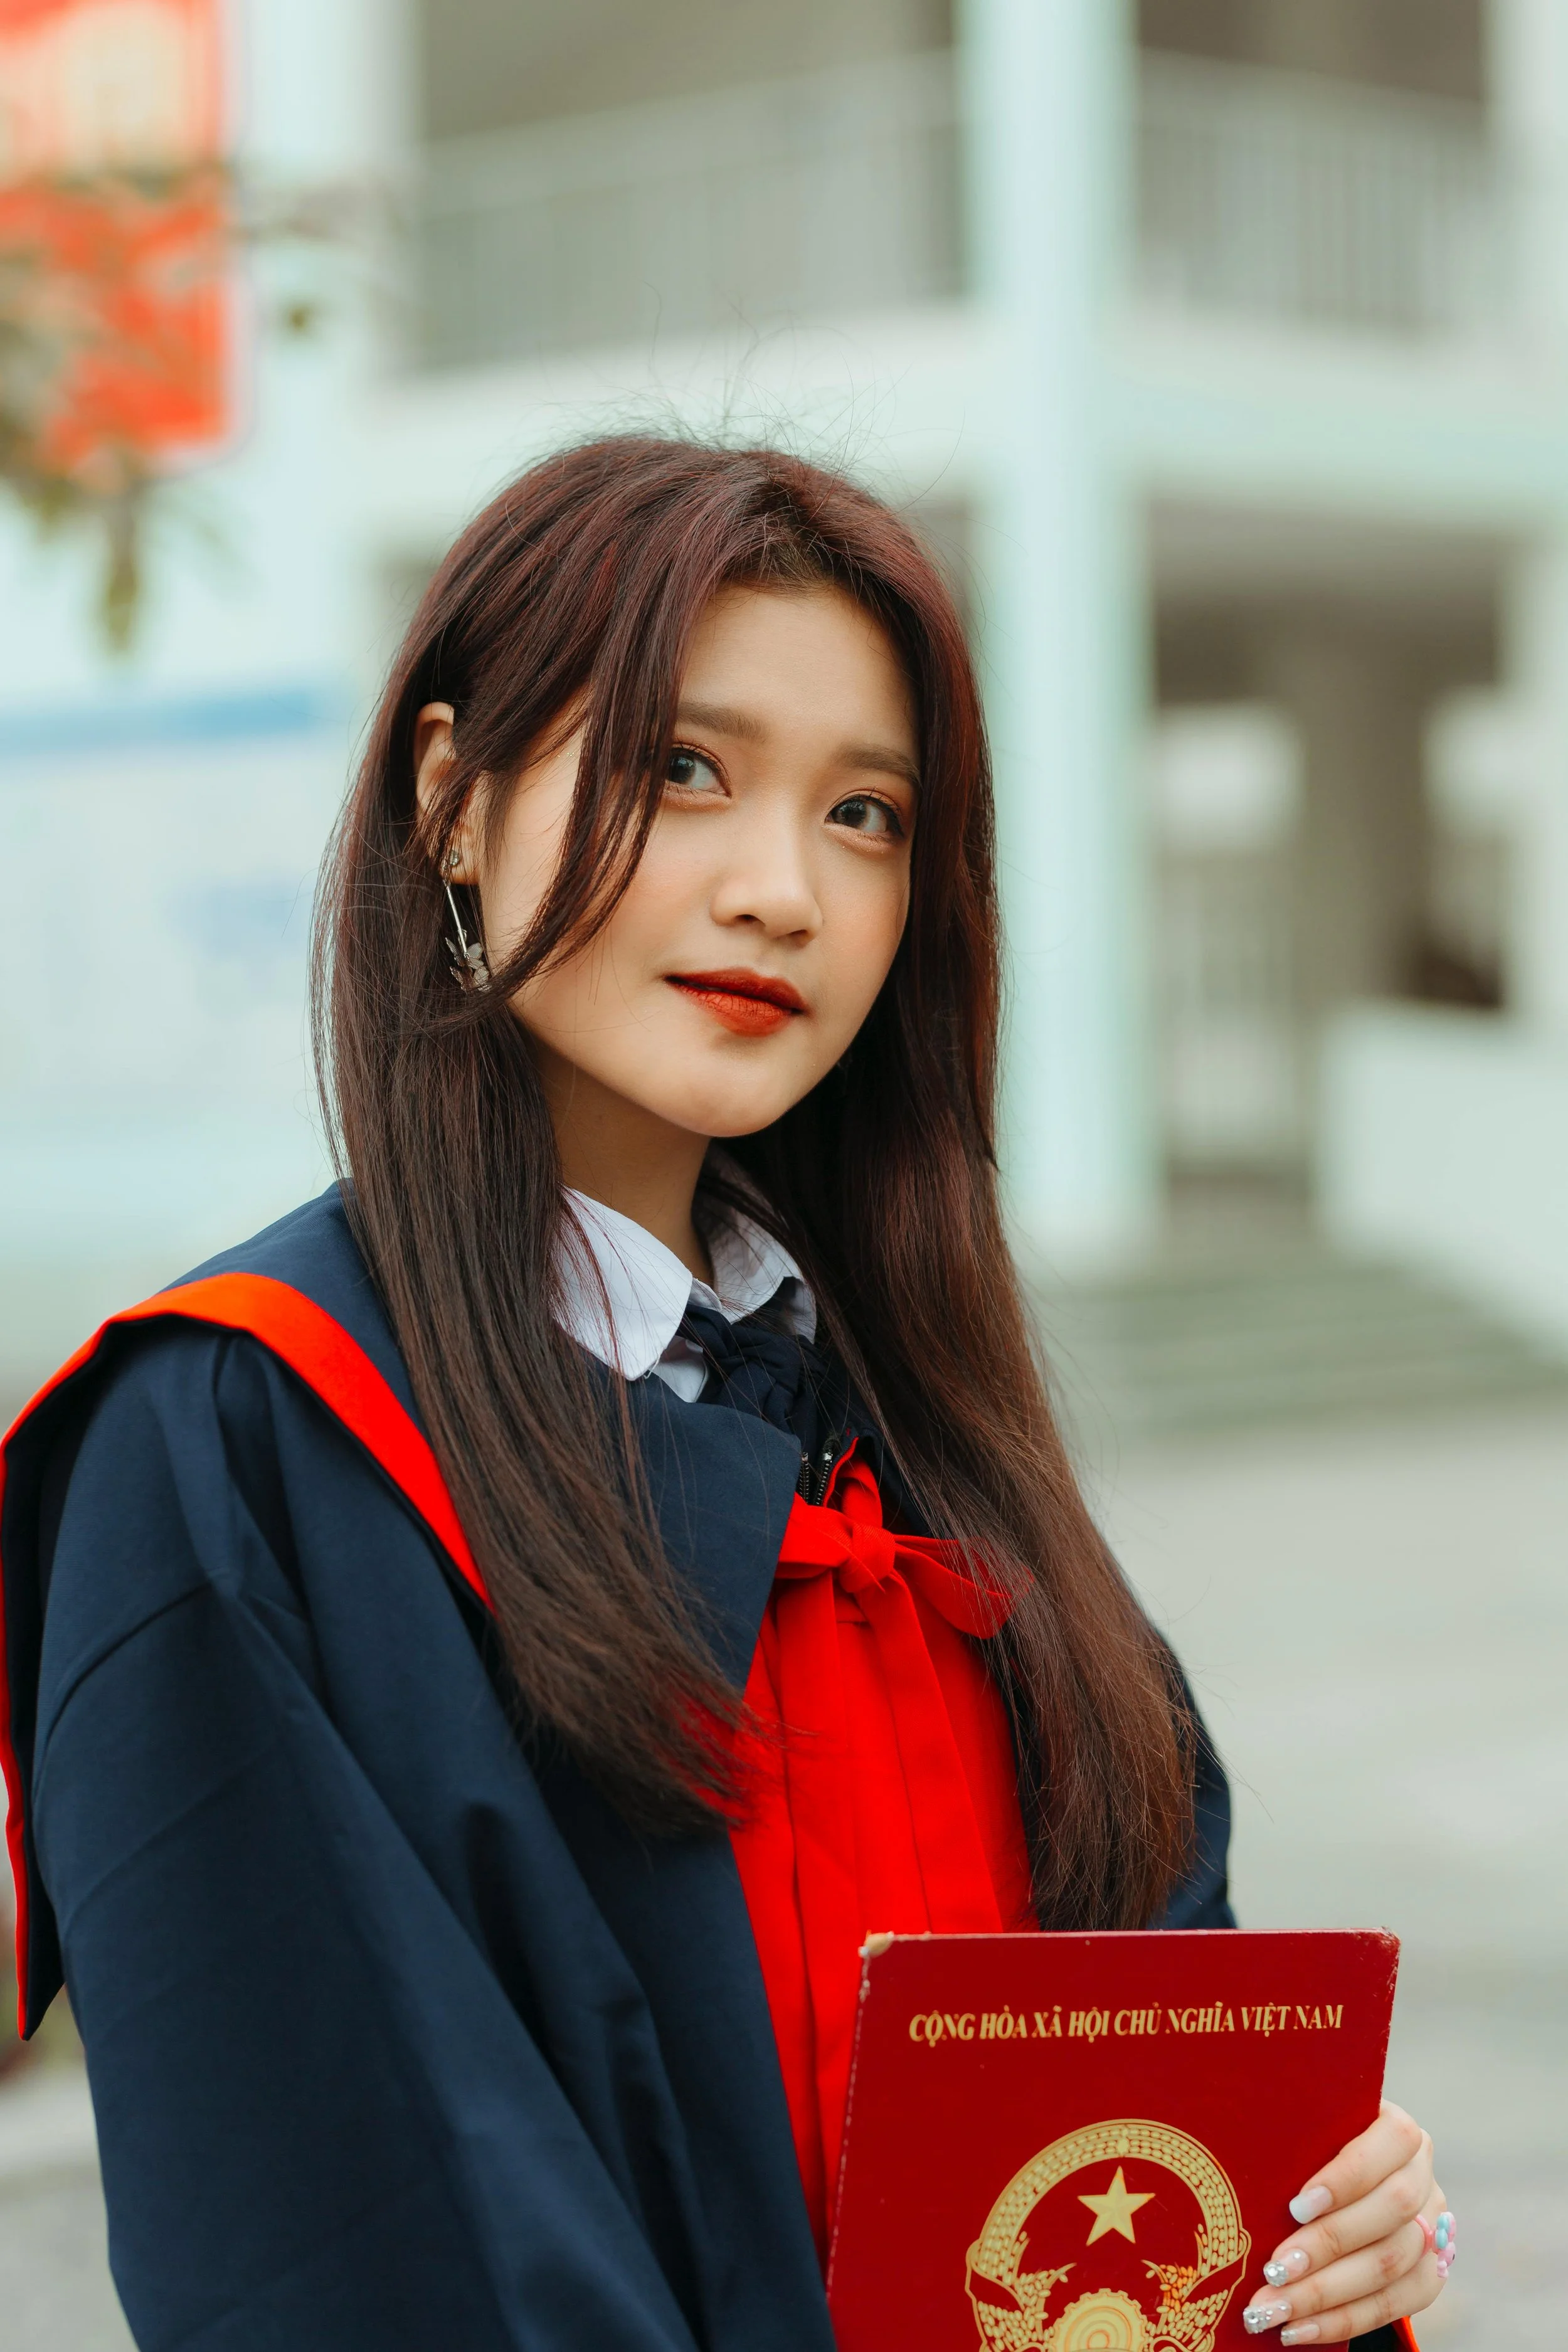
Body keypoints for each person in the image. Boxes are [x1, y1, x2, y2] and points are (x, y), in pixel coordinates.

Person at [0, 438, 1447, 2351]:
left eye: (866, 814)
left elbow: (1137, 2077)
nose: (781, 890)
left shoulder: (918, 1450)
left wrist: (1312, 2223)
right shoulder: (244, 1442)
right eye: (684, 769)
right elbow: (353, 2232)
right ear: (449, 798)